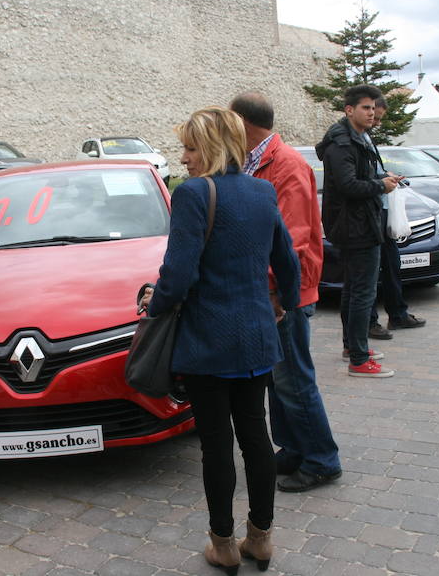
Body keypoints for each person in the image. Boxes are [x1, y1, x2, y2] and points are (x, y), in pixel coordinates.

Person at [140, 106, 300, 575]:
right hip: (255, 336)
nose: (184, 158)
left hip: (208, 340)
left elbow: (179, 272)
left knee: (216, 444)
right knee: (256, 436)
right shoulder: (262, 190)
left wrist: (155, 306)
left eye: (190, 147)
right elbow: (286, 260)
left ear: (209, 147)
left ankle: (224, 544)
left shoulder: (193, 194)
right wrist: (285, 302)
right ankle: (262, 539)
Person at [229, 92, 343, 494]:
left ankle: (322, 460)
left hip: (285, 293)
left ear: (243, 122)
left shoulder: (286, 165)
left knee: (294, 379)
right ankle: (294, 447)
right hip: (268, 290)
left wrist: (277, 292)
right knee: (278, 380)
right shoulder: (256, 160)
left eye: (230, 122)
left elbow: (291, 239)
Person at [316, 84, 401, 378]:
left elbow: (358, 176)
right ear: (349, 110)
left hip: (359, 222)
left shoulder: (356, 138)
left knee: (354, 290)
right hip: (356, 226)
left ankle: (352, 348)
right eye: (366, 108)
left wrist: (381, 176)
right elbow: (349, 185)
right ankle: (360, 359)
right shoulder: (342, 143)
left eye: (372, 107)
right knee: (362, 293)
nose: (371, 113)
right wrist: (381, 185)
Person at [367, 97, 425, 342]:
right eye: (372, 114)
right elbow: (354, 180)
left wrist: (385, 176)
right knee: (367, 275)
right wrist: (381, 179)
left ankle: (398, 313)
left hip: (382, 212)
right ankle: (368, 323)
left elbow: (371, 171)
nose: (375, 121)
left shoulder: (367, 138)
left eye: (378, 117)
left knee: (392, 264)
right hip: (367, 217)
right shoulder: (349, 140)